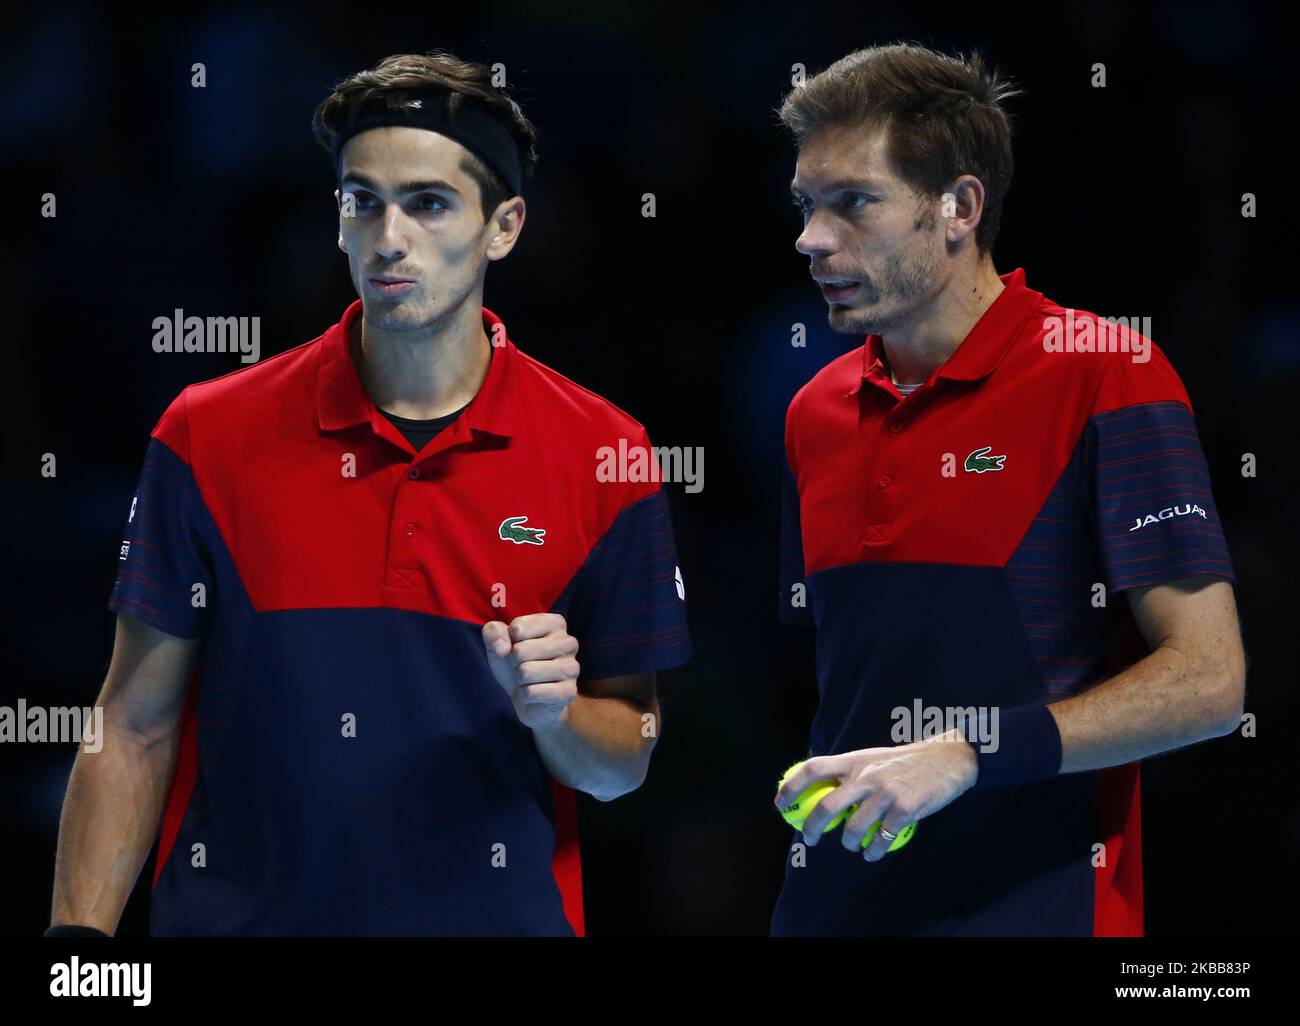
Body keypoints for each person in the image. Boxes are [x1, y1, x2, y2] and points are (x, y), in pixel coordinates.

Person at [47, 50, 690, 937]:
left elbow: (625, 759)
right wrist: (75, 953)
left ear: (503, 226)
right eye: (362, 201)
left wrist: (556, 714)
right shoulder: (205, 433)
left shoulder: (607, 452)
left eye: (427, 203)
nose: (388, 237)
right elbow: (132, 724)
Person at [772, 43, 1245, 936]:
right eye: (805, 204)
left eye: (853, 203)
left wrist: (967, 752)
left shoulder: (1107, 374)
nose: (811, 238)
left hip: (1043, 911)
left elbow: (1211, 684)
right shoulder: (813, 412)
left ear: (959, 208)